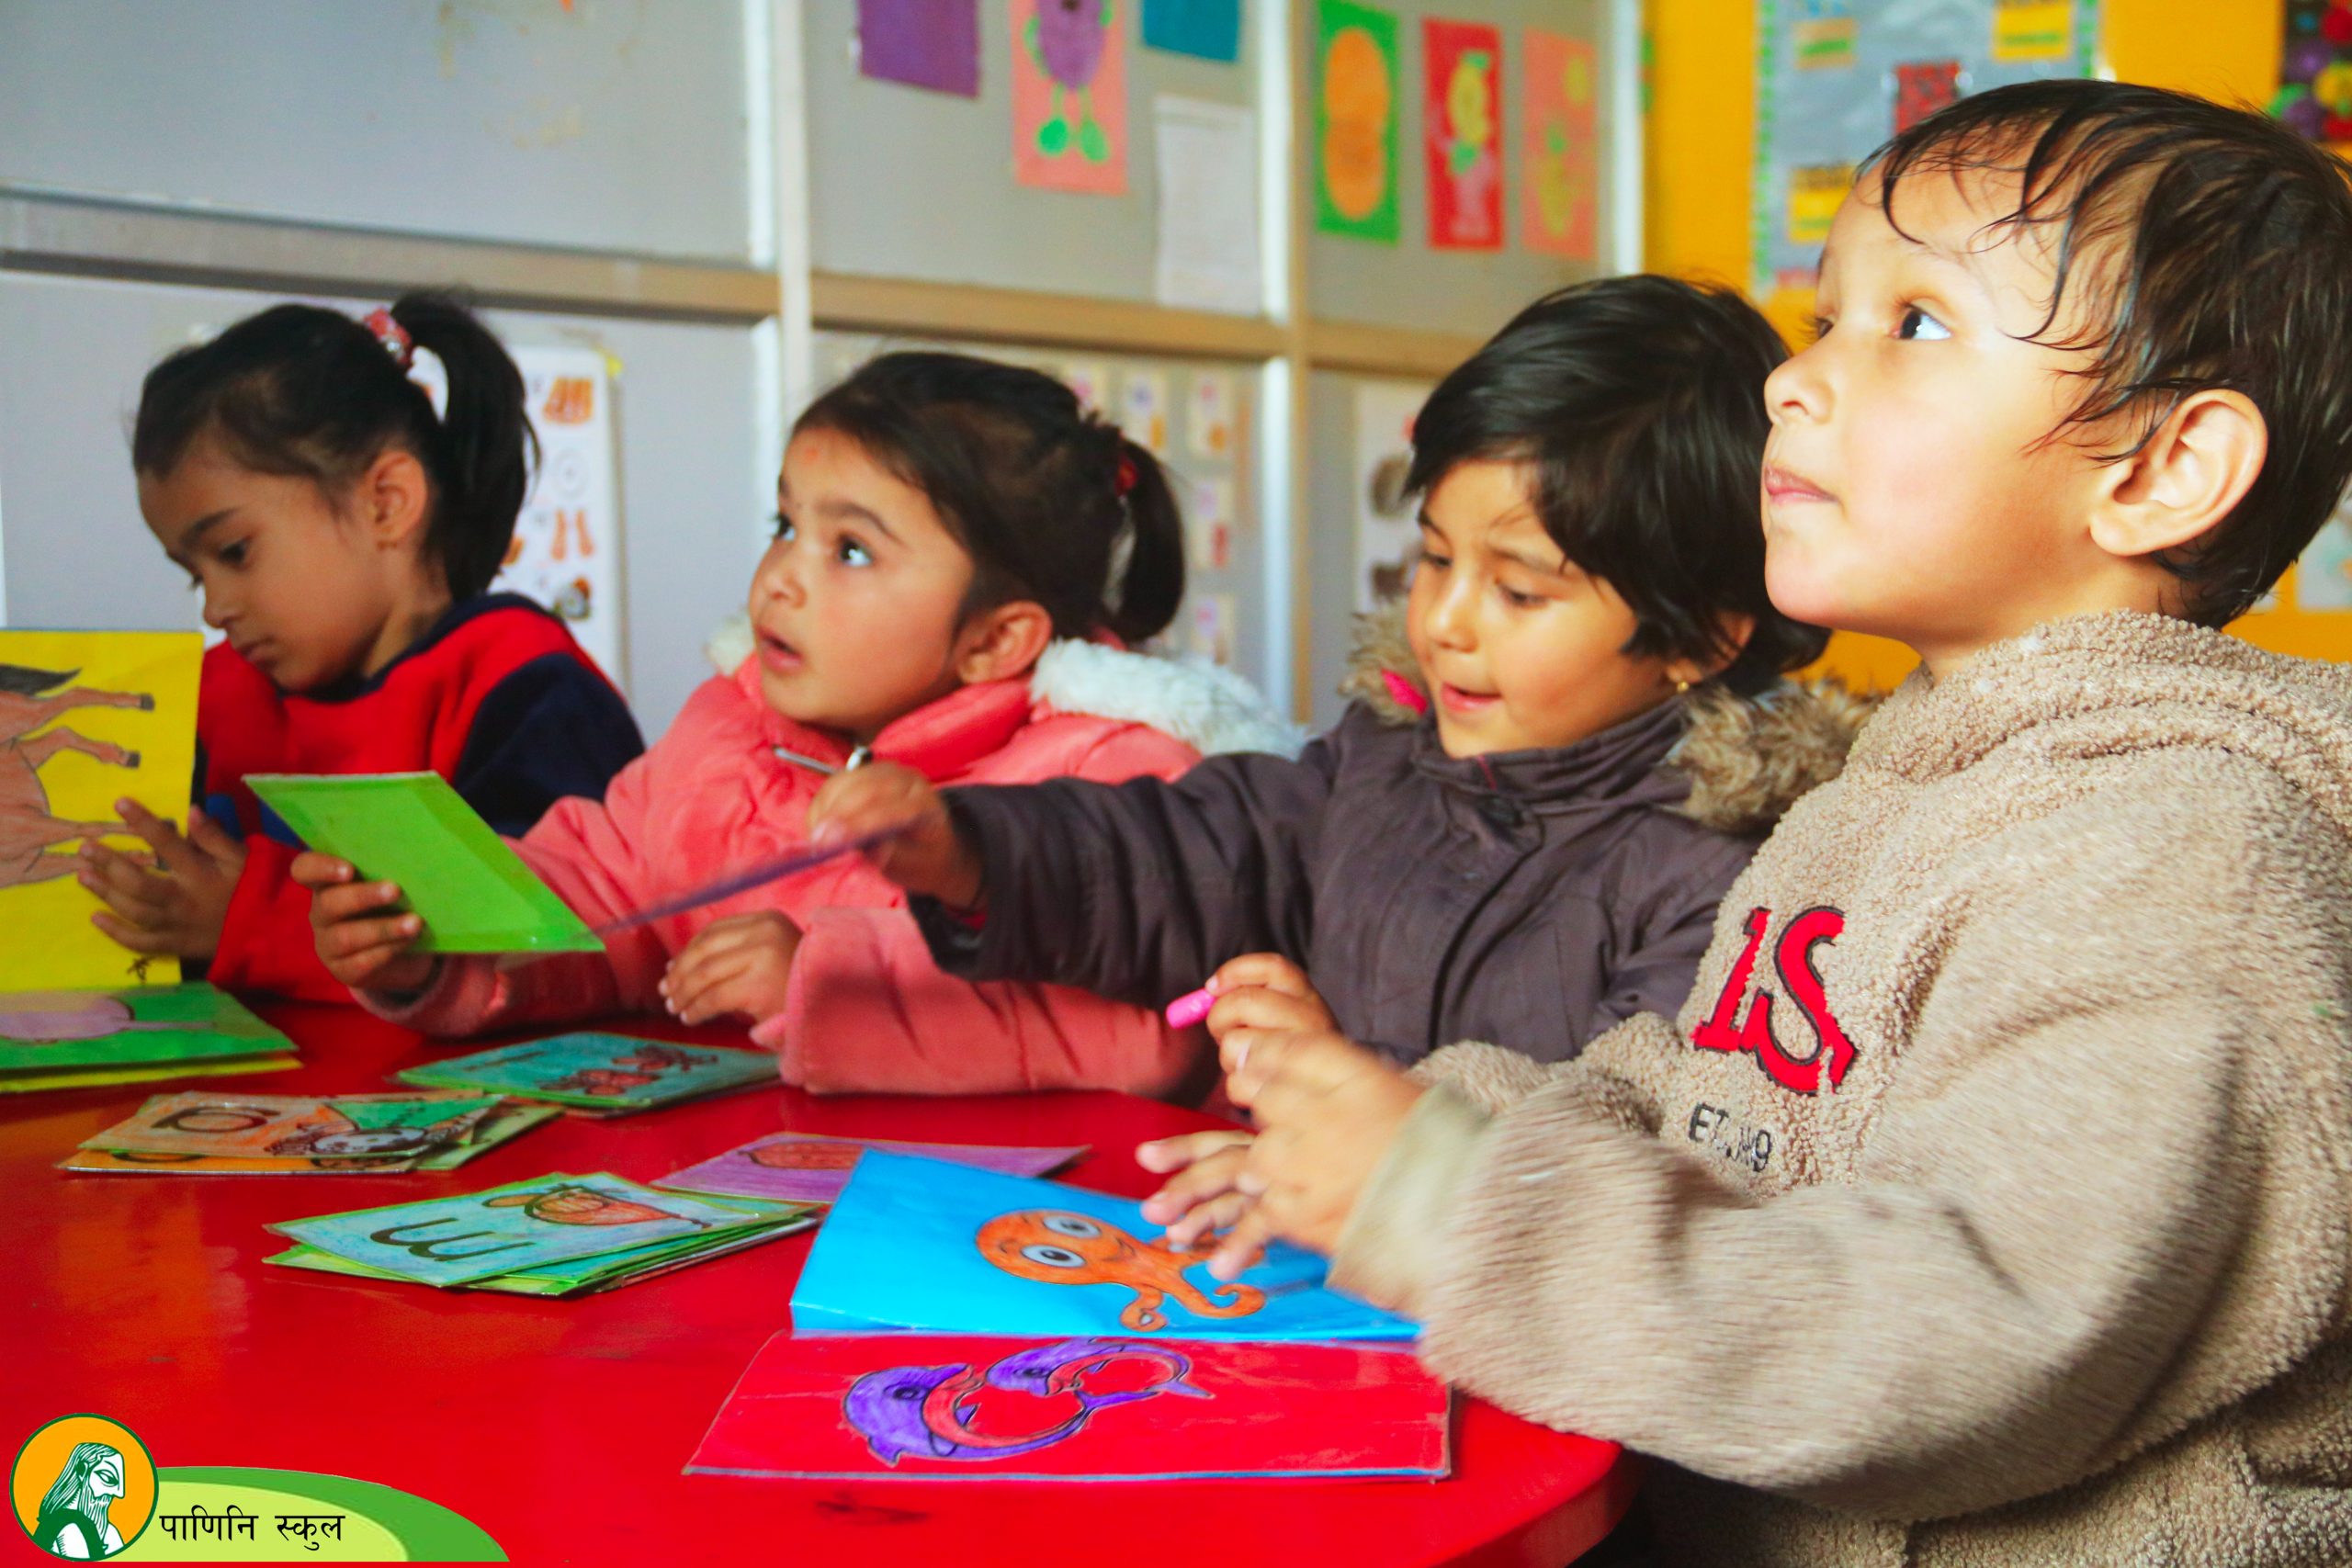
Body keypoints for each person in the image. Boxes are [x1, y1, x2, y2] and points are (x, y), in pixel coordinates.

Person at [1158, 82, 2352, 1564]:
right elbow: (1716, 1092)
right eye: (1823, 321)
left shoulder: (2176, 853)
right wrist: (1423, 1122)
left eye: (1912, 326)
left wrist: (1450, 1205)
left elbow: (1967, 1339)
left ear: (2163, 469)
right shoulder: (1909, 782)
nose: (1792, 384)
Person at [813, 276, 1861, 1086]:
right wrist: (970, 851)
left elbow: (1618, 1152)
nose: (1443, 623)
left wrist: (1354, 1102)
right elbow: (1184, 857)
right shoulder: (1384, 763)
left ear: (1702, 639)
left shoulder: (1733, 879)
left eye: (1520, 594)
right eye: (1437, 559)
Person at [300, 351, 1293, 1096]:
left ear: (995, 642)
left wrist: (820, 979)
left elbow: (1139, 1033)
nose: (781, 576)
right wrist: (442, 943)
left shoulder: (1115, 779)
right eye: (785, 525)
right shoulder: (733, 726)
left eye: (850, 550)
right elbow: (610, 887)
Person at [79, 293, 641, 1000]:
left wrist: (244, 924)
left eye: (235, 551)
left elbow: (544, 950)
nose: (215, 606)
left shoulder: (522, 686)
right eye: (194, 573)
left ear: (387, 502)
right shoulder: (212, 697)